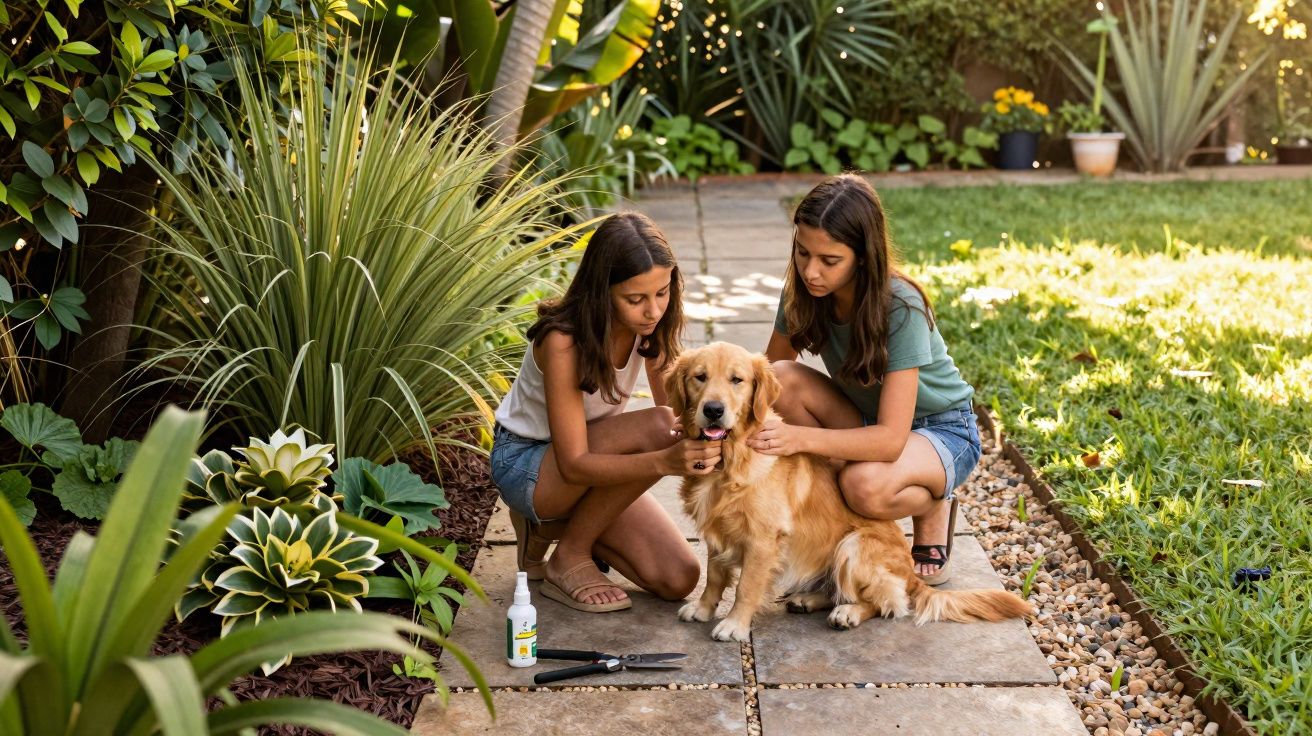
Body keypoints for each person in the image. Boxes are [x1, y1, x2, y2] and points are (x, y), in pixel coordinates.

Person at [748, 174, 982, 585]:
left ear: (863, 256)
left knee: (862, 486)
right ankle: (838, 532)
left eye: (830, 260)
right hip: (867, 419)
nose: (811, 271)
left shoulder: (900, 305)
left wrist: (799, 440)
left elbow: (891, 440)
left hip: (942, 429)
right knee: (780, 380)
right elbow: (762, 383)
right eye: (803, 253)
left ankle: (932, 504)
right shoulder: (802, 295)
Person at [490, 212, 714, 613]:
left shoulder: (652, 327)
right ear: (602, 291)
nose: (653, 310)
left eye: (662, 292)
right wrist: (663, 461)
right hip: (529, 463)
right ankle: (569, 553)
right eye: (635, 299)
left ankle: (552, 528)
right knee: (659, 428)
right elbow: (575, 464)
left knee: (678, 578)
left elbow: (679, 413)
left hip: (595, 458)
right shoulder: (562, 341)